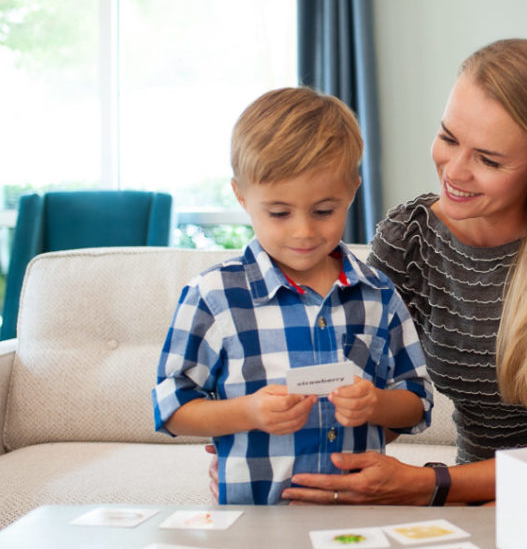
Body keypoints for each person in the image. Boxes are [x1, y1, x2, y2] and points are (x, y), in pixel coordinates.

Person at [216, 38, 527, 505]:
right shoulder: (411, 237)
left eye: (488, 159)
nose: (455, 171)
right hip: (478, 492)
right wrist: (264, 451)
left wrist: (425, 483)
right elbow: (364, 387)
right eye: (448, 138)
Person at [153, 86, 433, 505]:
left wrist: (375, 404)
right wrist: (247, 412)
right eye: (279, 213)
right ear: (241, 196)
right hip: (254, 520)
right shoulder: (213, 296)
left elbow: (417, 403)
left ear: (352, 191)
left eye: (324, 211)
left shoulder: (376, 293)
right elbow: (172, 408)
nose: (303, 231)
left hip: (358, 515)